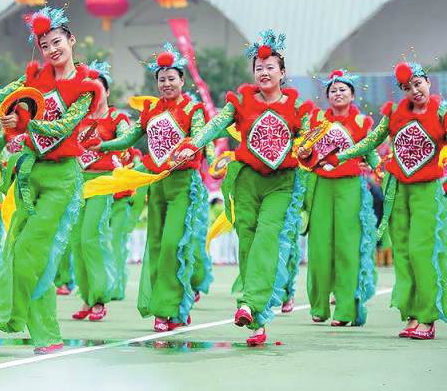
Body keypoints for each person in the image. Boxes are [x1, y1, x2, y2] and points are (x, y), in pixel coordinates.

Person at [0, 6, 101, 354]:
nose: (51, 50)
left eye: (56, 42)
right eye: (44, 45)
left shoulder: (86, 86)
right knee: (20, 250)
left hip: (62, 178)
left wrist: (26, 122)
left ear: (71, 41)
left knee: (30, 249)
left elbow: (63, 127)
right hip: (30, 174)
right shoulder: (33, 79)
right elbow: (0, 98)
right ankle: (48, 337)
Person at [176, 30, 313, 346]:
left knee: (267, 237)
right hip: (247, 181)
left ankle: (249, 303)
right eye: (259, 68)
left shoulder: (297, 107)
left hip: (281, 184)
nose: (264, 73)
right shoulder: (240, 102)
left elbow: (307, 139)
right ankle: (258, 322)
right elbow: (215, 124)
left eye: (270, 67)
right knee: (248, 244)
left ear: (282, 73)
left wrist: (307, 149)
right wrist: (192, 144)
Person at [319, 61, 447, 339]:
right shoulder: (395, 115)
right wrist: (339, 157)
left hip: (427, 191)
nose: (414, 91)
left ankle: (427, 317)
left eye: (418, 84)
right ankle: (412, 314)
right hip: (397, 192)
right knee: (403, 253)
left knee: (421, 251)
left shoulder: (441, 113)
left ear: (427, 82)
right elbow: (369, 142)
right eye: (407, 88)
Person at [92, 43, 210, 331]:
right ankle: (166, 308)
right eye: (162, 79)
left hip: (183, 184)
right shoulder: (151, 111)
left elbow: (199, 137)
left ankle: (171, 307)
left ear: (182, 79)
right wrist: (101, 145)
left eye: (172, 78)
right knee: (156, 245)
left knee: (173, 245)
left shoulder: (193, 109)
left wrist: (189, 149)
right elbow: (129, 138)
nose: (166, 84)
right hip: (156, 184)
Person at [298, 70, 379, 326]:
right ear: (327, 96)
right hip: (320, 185)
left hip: (350, 187)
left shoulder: (362, 123)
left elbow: (372, 154)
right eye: (332, 90)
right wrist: (303, 155)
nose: (337, 93)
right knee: (319, 248)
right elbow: (305, 152)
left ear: (352, 95)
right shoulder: (317, 120)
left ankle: (345, 310)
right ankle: (319, 306)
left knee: (347, 248)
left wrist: (384, 174)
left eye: (343, 89)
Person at [69, 60, 127, 322]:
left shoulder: (116, 118)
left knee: (93, 236)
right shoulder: (78, 118)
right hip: (77, 183)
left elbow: (125, 139)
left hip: (102, 182)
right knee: (77, 241)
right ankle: (88, 296)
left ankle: (101, 297)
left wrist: (105, 145)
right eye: (88, 90)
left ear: (107, 91)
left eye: (98, 89)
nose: (93, 94)